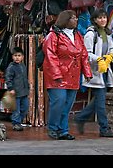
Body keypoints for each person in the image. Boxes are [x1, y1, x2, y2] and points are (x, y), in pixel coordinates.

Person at [42, 10, 93, 140]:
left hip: (73, 75)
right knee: (58, 102)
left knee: (67, 104)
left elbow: (83, 55)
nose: (76, 20)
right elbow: (50, 56)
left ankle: (63, 130)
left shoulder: (78, 36)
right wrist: (57, 74)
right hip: (57, 76)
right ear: (65, 20)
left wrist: (87, 72)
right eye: (73, 18)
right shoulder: (53, 36)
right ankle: (53, 128)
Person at [74, 8, 113, 137]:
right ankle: (104, 128)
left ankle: (81, 118)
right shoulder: (90, 34)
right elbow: (86, 53)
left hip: (104, 70)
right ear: (94, 20)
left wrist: (109, 57)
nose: (103, 20)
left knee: (98, 99)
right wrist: (98, 59)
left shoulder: (106, 33)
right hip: (94, 71)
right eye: (100, 18)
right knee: (101, 101)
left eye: (104, 17)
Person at [5, 46, 30, 131]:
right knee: (16, 109)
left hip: (24, 91)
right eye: (15, 55)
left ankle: (18, 120)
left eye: (19, 56)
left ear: (22, 57)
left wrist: (28, 87)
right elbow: (8, 78)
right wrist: (11, 88)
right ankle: (16, 123)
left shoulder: (23, 66)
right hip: (15, 92)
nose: (17, 57)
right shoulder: (11, 67)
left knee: (25, 107)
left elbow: (25, 78)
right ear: (12, 57)